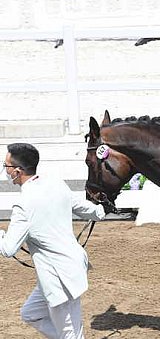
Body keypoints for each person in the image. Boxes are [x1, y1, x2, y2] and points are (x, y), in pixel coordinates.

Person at [0, 142, 107, 339]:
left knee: (71, 333)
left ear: (17, 171)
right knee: (31, 313)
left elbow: (8, 249)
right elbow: (84, 208)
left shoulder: (23, 205)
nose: (5, 170)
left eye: (6, 166)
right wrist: (101, 210)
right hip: (60, 270)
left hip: (60, 276)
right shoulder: (55, 183)